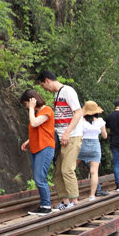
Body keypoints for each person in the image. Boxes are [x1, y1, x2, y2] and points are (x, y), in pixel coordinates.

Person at [36, 70, 83, 210]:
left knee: (67, 169)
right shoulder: (57, 95)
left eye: (43, 85)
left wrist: (67, 133)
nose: (44, 88)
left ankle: (75, 202)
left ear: (47, 80)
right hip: (62, 137)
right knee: (57, 172)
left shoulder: (68, 91)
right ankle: (65, 201)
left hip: (72, 136)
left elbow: (78, 112)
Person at [19, 89, 56, 215]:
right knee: (38, 177)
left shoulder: (47, 110)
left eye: (26, 104)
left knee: (40, 177)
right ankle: (44, 205)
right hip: (36, 148)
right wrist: (28, 141)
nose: (26, 107)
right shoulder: (38, 112)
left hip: (45, 148)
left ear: (31, 101)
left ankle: (46, 206)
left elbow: (34, 123)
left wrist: (31, 108)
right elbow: (40, 130)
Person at [77, 101, 107, 201]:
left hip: (82, 146)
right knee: (94, 172)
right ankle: (92, 195)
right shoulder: (100, 121)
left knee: (71, 170)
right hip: (95, 147)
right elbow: (104, 136)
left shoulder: (80, 121)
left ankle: (72, 195)